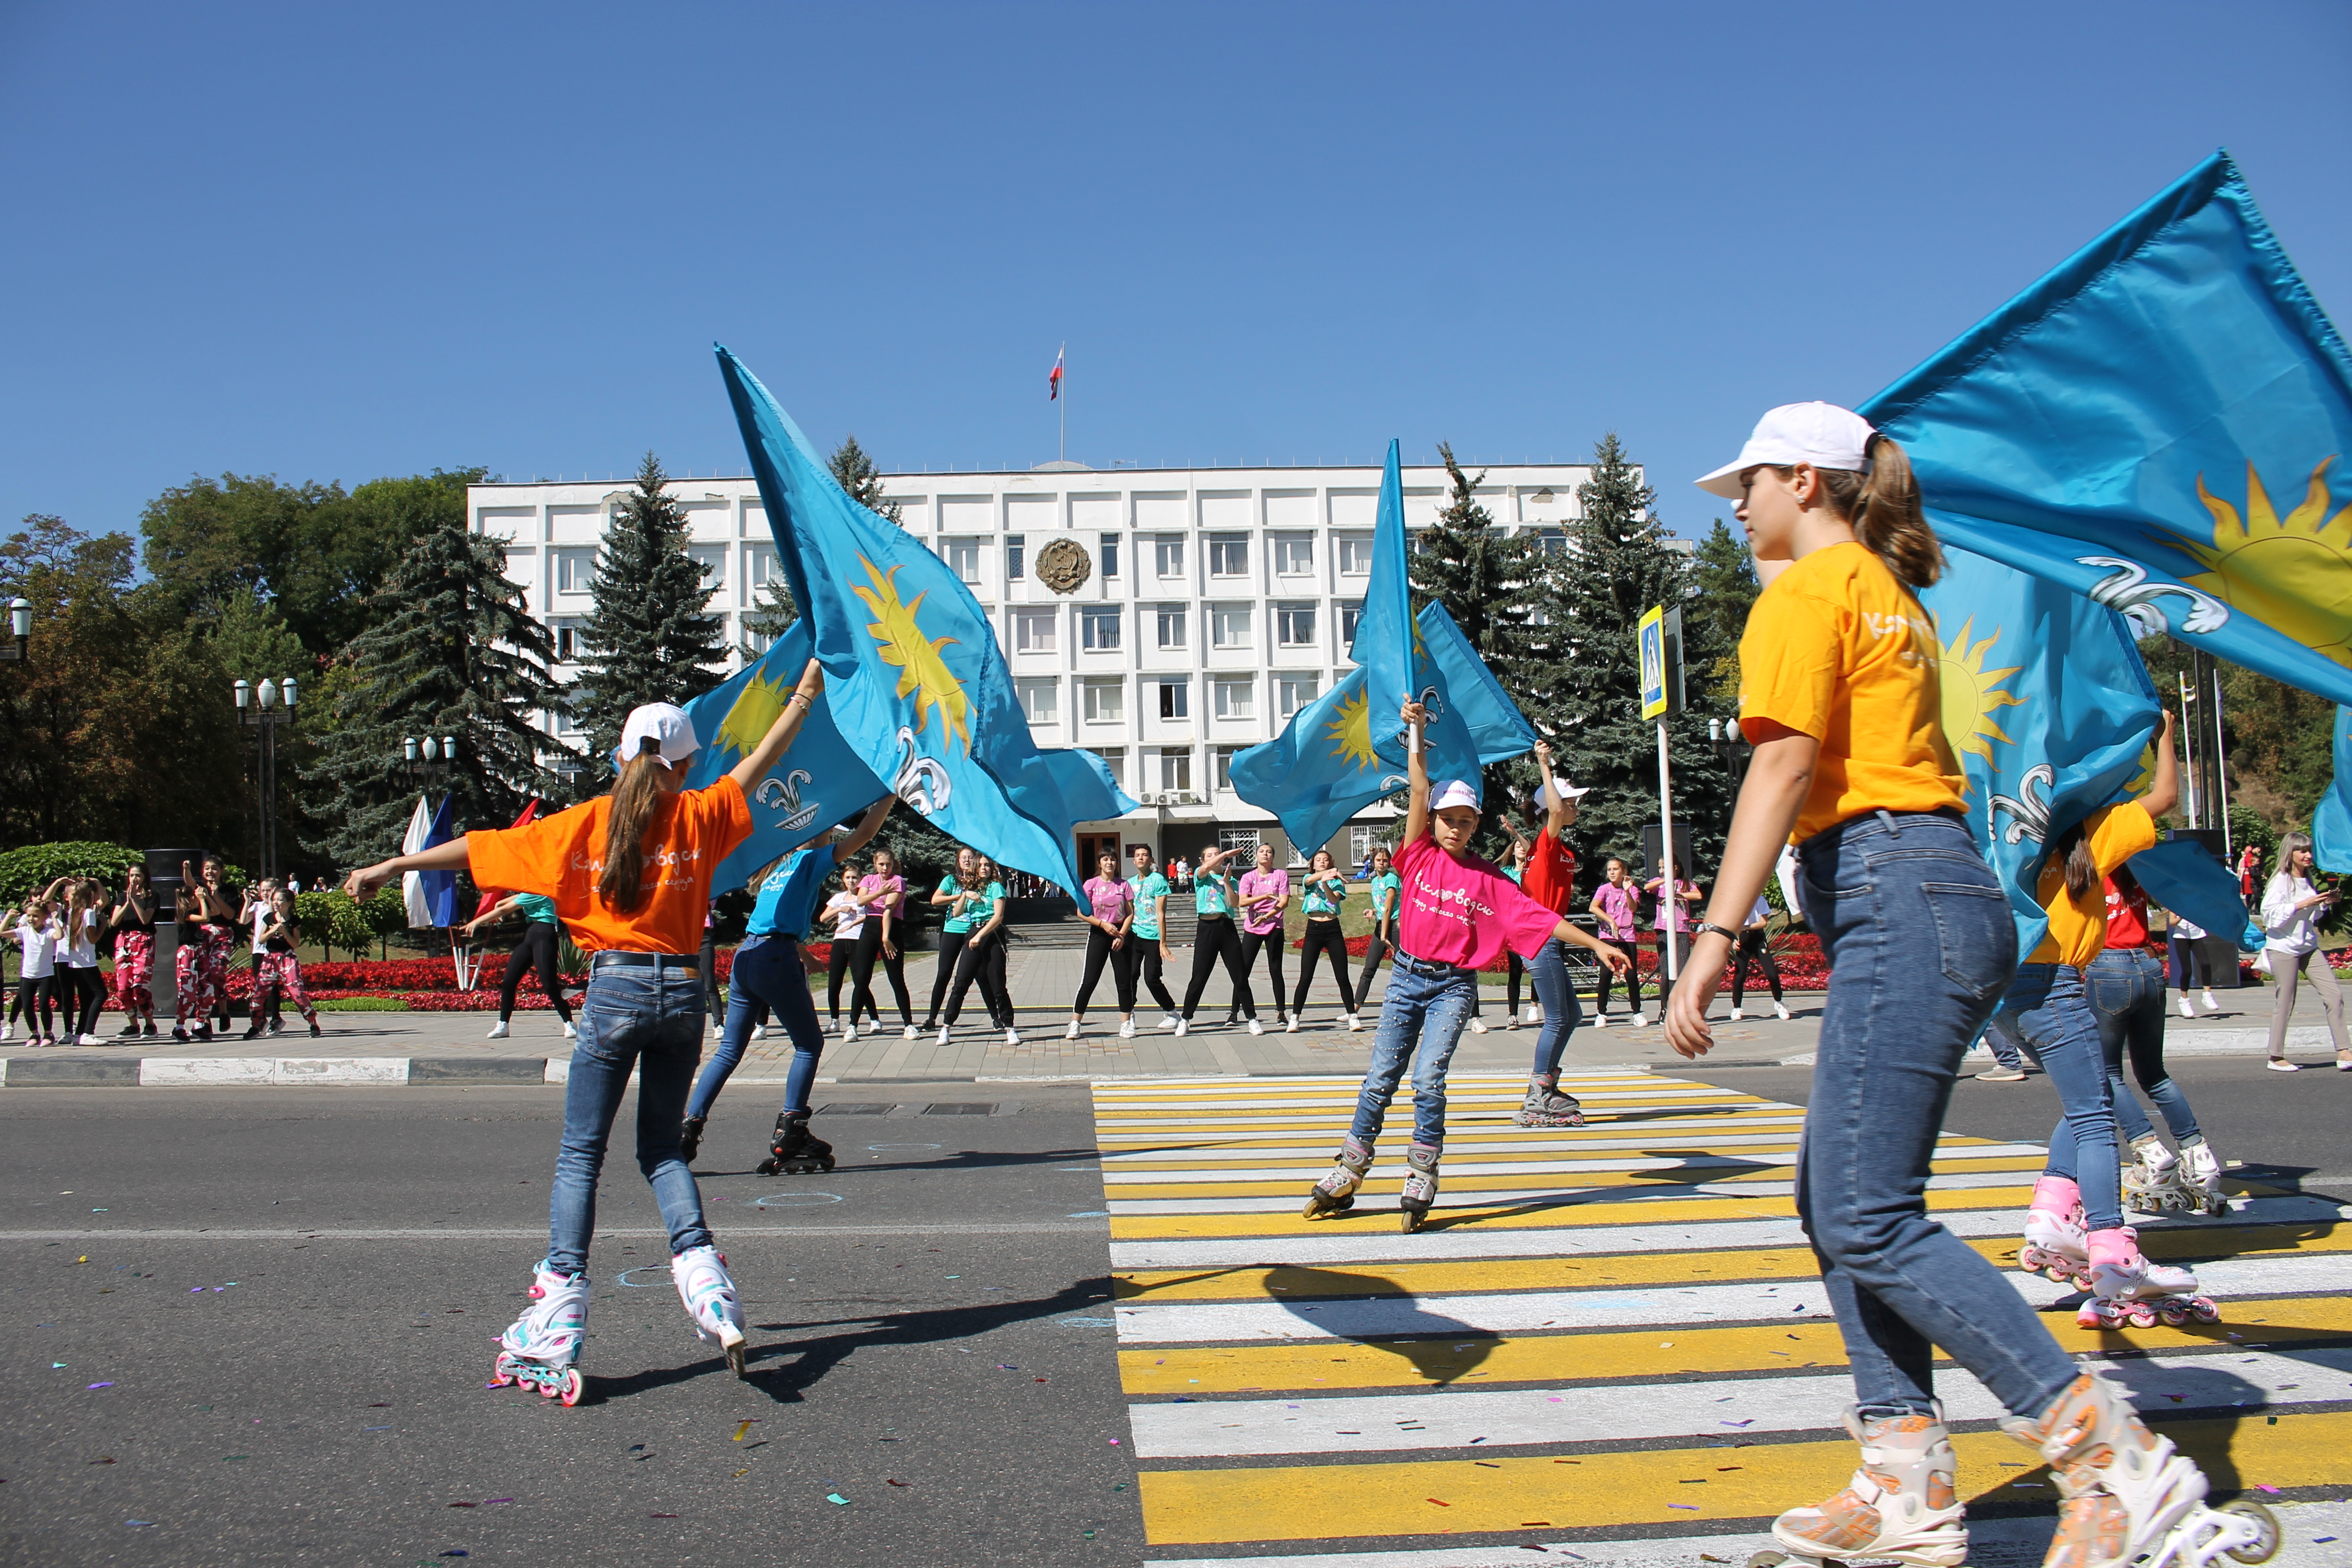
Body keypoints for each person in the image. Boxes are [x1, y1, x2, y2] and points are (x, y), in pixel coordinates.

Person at [1665, 402, 2251, 1568]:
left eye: (1749, 483)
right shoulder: (1888, 593)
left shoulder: (1805, 593)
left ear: (1806, 479)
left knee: (1867, 1212)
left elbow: (1782, 763)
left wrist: (1714, 932)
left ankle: (2110, 1459)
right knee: (1837, 1201)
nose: (1735, 503)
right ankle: (1902, 1477)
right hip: (1927, 888)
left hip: (1895, 889)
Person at [342, 662, 827, 1398]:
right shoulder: (702, 815)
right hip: (682, 996)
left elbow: (478, 849)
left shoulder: (585, 825)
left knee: (581, 1155)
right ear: (688, 762)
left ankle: (562, 1300)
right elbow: (767, 761)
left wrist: (391, 863)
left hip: (615, 990)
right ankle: (706, 1283)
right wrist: (802, 697)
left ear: (621, 757)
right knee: (662, 1152)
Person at [1304, 710, 1631, 1231]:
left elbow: (1540, 918)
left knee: (1428, 1079)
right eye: (1448, 818)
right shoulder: (1417, 857)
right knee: (1380, 1077)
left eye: (1466, 820)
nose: (1456, 827)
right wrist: (1415, 734)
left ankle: (1422, 1173)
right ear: (1433, 821)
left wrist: (1595, 942)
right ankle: (1349, 1167)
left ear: (1476, 824)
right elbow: (1417, 788)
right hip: (1407, 978)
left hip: (1453, 987)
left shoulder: (1489, 879)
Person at [2003, 714, 2191, 1329]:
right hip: (2055, 982)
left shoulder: (2007, 825)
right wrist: (2162, 735)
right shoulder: (2089, 833)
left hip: (2005, 989)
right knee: (2095, 1118)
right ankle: (2112, 1248)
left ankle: (2053, 1213)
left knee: (2089, 1097)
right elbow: (2165, 798)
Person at [680, 796, 895, 1170]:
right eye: (828, 832)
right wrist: (892, 791)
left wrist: (803, 955)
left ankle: (689, 1126)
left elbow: (777, 916)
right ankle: (791, 1129)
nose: (832, 837)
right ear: (816, 833)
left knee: (730, 1051)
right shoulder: (810, 860)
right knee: (809, 1044)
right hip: (773, 957)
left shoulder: (777, 866)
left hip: (747, 955)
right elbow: (866, 832)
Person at [2099, 869, 2226, 1217]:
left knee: (2106, 1073)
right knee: (2155, 1074)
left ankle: (2150, 1152)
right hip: (2149, 966)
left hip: (2108, 965)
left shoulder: (2091, 864)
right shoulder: (2140, 867)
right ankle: (2198, 1155)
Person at [1510, 740, 1608, 1129]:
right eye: (1572, 802)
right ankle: (1537, 1096)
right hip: (1539, 938)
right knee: (1556, 1019)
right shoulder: (1547, 844)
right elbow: (1551, 808)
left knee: (1572, 1015)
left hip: (1549, 937)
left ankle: (1547, 1086)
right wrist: (1544, 763)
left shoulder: (1558, 849)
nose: (1575, 808)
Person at [2260, 832, 2349, 1071]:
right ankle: (2275, 1057)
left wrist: (2324, 903)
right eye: (2303, 851)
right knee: (2286, 1002)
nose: (2308, 855)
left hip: (2309, 947)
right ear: (2291, 853)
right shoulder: (2281, 880)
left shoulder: (2306, 879)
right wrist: (2302, 904)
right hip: (2284, 948)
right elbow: (2270, 916)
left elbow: (2312, 916)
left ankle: (2344, 1051)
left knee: (2334, 996)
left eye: (2310, 851)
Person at [464, 888, 577, 1041]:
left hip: (544, 935)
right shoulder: (531, 891)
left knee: (549, 984)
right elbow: (502, 903)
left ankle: (569, 1023)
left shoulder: (540, 891)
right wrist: (497, 907)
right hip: (531, 935)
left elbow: (505, 908)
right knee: (509, 982)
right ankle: (503, 1024)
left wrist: (477, 921)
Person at [937, 854, 1016, 1045]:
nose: (983, 868)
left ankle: (1010, 1027)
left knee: (998, 985)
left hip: (992, 934)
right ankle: (946, 1026)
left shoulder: (996, 887)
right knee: (961, 982)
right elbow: (956, 913)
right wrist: (964, 895)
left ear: (992, 869)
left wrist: (980, 936)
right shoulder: (971, 888)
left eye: (987, 865)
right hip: (973, 931)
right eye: (980, 865)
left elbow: (998, 917)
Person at [1177, 843, 1256, 1036]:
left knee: (1239, 975)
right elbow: (1204, 869)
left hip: (1226, 927)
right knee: (1199, 976)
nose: (1215, 858)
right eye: (1210, 856)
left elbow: (1235, 903)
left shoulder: (1230, 879)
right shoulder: (1201, 876)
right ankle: (1186, 1019)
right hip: (1206, 928)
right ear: (1204, 860)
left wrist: (1227, 882)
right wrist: (1228, 853)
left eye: (1217, 854)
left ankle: (1252, 1018)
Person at [1066, 851, 1138, 1039]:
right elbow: (1081, 912)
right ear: (1099, 863)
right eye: (1106, 859)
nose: (1110, 862)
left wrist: (1121, 934)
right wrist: (1102, 924)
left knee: (1124, 981)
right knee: (1089, 980)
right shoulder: (1091, 884)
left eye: (1113, 859)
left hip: (1119, 934)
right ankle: (1075, 1023)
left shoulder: (1124, 885)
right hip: (1099, 932)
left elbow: (1131, 913)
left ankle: (1126, 1023)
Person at [850, 846, 916, 1041]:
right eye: (881, 864)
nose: (885, 868)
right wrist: (879, 892)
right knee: (861, 978)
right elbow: (861, 901)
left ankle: (909, 1024)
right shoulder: (868, 880)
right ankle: (853, 1025)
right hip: (870, 928)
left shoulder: (898, 881)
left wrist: (886, 938)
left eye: (888, 864)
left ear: (894, 865)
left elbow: (888, 909)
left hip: (891, 928)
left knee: (896, 979)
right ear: (875, 864)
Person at [172, 854, 239, 1041]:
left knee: (216, 973)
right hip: (200, 940)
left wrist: (214, 895)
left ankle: (223, 1011)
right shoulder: (197, 895)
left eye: (215, 869)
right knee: (199, 982)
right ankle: (201, 1022)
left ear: (221, 871)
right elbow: (190, 883)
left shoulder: (228, 891)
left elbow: (227, 915)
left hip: (222, 934)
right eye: (207, 869)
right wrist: (186, 870)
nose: (211, 872)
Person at [1288, 850, 1354, 1027]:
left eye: (1326, 860)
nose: (1322, 862)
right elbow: (1309, 882)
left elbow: (1333, 901)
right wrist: (1325, 876)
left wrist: (1327, 883)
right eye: (1319, 860)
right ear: (1314, 865)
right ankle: (1295, 1018)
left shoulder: (1336, 881)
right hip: (1314, 930)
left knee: (1342, 976)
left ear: (1330, 863)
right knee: (1306, 976)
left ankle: (1353, 1016)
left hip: (1333, 929)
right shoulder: (1308, 878)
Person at [246, 885, 322, 1038]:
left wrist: (284, 931)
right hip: (269, 958)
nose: (276, 902)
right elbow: (260, 939)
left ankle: (313, 1023)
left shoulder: (294, 920)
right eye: (274, 900)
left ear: (288, 903)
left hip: (287, 958)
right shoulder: (268, 918)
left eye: (280, 900)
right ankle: (256, 1025)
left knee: (297, 992)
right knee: (259, 993)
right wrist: (272, 931)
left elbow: (295, 944)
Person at [919, 846, 982, 1031]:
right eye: (963, 858)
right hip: (952, 930)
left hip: (973, 931)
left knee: (980, 974)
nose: (967, 861)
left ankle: (997, 1018)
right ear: (958, 861)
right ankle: (931, 1018)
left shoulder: (980, 881)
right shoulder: (951, 880)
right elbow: (935, 900)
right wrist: (960, 895)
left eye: (970, 857)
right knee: (944, 973)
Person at [44, 877, 108, 1044]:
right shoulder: (87, 913)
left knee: (88, 996)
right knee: (100, 994)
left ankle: (81, 1032)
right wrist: (103, 925)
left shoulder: (75, 912)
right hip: (85, 961)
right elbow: (93, 938)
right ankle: (87, 1032)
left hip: (77, 960)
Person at [1237, 845, 1293, 1030]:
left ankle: (1281, 1012)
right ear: (1256, 855)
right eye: (1262, 851)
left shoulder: (1280, 875)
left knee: (1275, 969)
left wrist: (1268, 915)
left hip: (1274, 924)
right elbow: (1242, 901)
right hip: (1253, 926)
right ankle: (1234, 1012)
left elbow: (1284, 901)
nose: (1266, 854)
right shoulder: (1248, 877)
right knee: (1243, 970)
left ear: (1273, 857)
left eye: (1269, 851)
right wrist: (1262, 899)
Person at [821, 862, 879, 1037]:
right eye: (848, 878)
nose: (851, 881)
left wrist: (856, 921)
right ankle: (834, 1021)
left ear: (860, 880)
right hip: (840, 941)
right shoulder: (838, 898)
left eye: (855, 877)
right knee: (834, 983)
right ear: (843, 880)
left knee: (861, 983)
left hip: (858, 941)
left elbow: (872, 915)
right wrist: (840, 909)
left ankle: (874, 1019)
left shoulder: (865, 897)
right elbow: (823, 918)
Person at [1126, 846, 1181, 1028]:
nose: (1141, 858)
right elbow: (1129, 912)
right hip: (1134, 936)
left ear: (1151, 860)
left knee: (1151, 978)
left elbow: (1161, 913)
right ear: (1134, 861)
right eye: (1137, 856)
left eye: (1145, 855)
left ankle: (1172, 1013)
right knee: (1131, 975)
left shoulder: (1158, 880)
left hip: (1153, 937)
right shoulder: (1131, 883)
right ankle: (1129, 1013)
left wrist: (1163, 943)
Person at [1347, 844, 1401, 1030]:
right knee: (1369, 968)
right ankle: (1354, 1010)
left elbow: (1388, 909)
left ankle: (1406, 1011)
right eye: (1379, 860)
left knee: (1403, 971)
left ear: (1389, 862)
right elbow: (1381, 908)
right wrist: (1372, 911)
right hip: (1382, 925)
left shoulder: (1391, 879)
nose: (1382, 863)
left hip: (1395, 926)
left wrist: (1385, 935)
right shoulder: (1374, 881)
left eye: (1385, 860)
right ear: (1373, 861)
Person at [1587, 857, 1646, 1026]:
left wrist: (1627, 891)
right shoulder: (1604, 889)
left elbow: (1633, 908)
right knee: (1606, 973)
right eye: (1609, 870)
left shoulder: (1632, 889)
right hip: (1608, 935)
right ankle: (1601, 1013)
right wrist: (1611, 920)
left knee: (1631, 973)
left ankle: (1637, 1011)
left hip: (1627, 935)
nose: (1612, 873)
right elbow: (1593, 907)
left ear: (1624, 872)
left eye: (1615, 869)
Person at [107, 867, 159, 1038]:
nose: (134, 879)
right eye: (131, 875)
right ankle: (133, 1024)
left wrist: (136, 900)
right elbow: (114, 922)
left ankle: (150, 1024)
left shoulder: (151, 896)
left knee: (140, 984)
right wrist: (127, 902)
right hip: (124, 942)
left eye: (138, 875)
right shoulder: (122, 896)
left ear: (145, 877)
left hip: (144, 941)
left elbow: (145, 919)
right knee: (123, 988)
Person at [4, 897, 60, 1045]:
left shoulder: (49, 932)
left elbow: (59, 936)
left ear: (44, 918)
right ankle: (34, 1034)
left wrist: (55, 920)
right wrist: (9, 917)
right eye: (29, 916)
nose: (31, 919)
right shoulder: (24, 931)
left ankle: (48, 1034)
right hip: (28, 975)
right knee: (27, 1004)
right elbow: (2, 933)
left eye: (35, 916)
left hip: (45, 975)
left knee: (43, 1004)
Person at [1728, 893, 1790, 1021]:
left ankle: (1779, 1002)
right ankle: (1737, 1007)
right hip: (1742, 937)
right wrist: (1734, 940)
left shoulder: (1759, 899)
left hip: (1758, 938)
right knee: (1740, 975)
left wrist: (1745, 927)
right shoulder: (1735, 900)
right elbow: (1730, 924)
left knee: (1771, 973)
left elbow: (1763, 922)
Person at [1643, 859, 1701, 987]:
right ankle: (1665, 1004)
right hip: (1663, 928)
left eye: (1665, 867)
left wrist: (1678, 895)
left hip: (1681, 929)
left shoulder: (1685, 883)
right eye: (1660, 868)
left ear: (1675, 868)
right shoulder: (1659, 883)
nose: (1662, 871)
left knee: (1682, 967)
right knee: (1665, 969)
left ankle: (1680, 999)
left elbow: (1698, 895)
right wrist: (1666, 879)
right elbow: (1647, 887)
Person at [2164, 906, 2217, 1019]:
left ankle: (2207, 995)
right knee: (2187, 970)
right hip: (2181, 937)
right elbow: (2172, 923)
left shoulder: (2196, 904)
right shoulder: (2177, 906)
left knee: (2206, 964)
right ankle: (2184, 1000)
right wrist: (2182, 916)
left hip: (2197, 936)